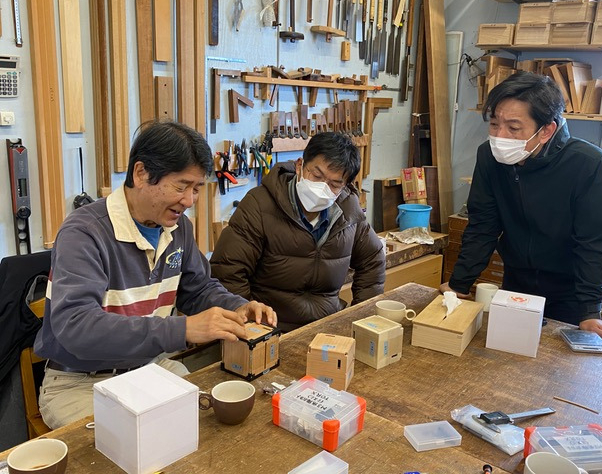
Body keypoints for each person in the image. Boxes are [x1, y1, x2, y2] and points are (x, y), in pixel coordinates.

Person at [34, 121, 276, 429]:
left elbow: (198, 289)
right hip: (80, 382)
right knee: (133, 449)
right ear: (141, 174)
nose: (189, 201)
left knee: (208, 434)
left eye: (197, 189)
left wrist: (235, 307)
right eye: (180, 187)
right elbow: (76, 327)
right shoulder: (84, 233)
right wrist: (182, 329)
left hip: (149, 367)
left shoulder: (178, 229)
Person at [442, 72, 602, 346]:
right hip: (516, 283)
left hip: (569, 293)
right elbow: (482, 226)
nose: (500, 136)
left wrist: (590, 310)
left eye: (513, 128)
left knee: (561, 369)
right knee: (507, 360)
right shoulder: (489, 156)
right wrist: (459, 284)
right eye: (494, 124)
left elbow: (593, 243)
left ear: (546, 130)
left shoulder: (587, 164)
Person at [211, 132, 386, 332]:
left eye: (334, 184)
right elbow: (227, 272)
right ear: (300, 165)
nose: (322, 188)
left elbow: (373, 260)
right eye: (317, 176)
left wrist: (359, 319)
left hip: (327, 326)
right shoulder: (259, 206)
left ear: (345, 186)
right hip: (271, 329)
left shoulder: (348, 211)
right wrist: (253, 329)